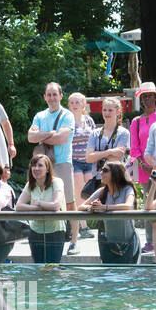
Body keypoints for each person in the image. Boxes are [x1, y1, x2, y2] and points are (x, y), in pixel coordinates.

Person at [27, 83, 77, 251]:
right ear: (44, 97)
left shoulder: (67, 115)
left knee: (69, 202)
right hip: (42, 165)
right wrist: (50, 134)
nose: (52, 98)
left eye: (55, 94)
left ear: (61, 96)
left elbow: (61, 139)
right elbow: (30, 137)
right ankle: (49, 236)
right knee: (44, 200)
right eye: (49, 94)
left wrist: (42, 136)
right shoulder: (39, 116)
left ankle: (74, 240)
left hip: (62, 162)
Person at [129, 83, 156, 254]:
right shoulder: (136, 122)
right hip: (145, 169)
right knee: (149, 204)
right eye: (144, 97)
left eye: (150, 96)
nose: (147, 99)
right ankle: (150, 241)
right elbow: (134, 147)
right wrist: (144, 164)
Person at [84, 160, 140, 264]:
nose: (101, 173)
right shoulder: (102, 191)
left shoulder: (127, 189)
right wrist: (90, 208)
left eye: (105, 170)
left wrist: (104, 207)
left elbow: (128, 206)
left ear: (115, 174)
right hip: (109, 244)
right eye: (101, 170)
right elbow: (81, 206)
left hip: (129, 243)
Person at [14, 153, 67, 264]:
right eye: (33, 165)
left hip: (55, 231)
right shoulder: (30, 184)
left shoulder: (56, 182)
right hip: (35, 231)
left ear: (47, 169)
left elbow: (56, 205)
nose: (36, 168)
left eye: (40, 165)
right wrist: (39, 207)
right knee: (38, 267)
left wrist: (38, 203)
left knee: (52, 268)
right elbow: (18, 206)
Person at [67, 92, 99, 241]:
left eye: (77, 102)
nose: (74, 105)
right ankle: (83, 226)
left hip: (89, 161)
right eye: (72, 102)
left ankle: (89, 219)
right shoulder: (67, 121)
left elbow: (94, 139)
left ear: (83, 104)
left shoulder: (89, 120)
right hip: (75, 161)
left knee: (90, 192)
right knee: (79, 193)